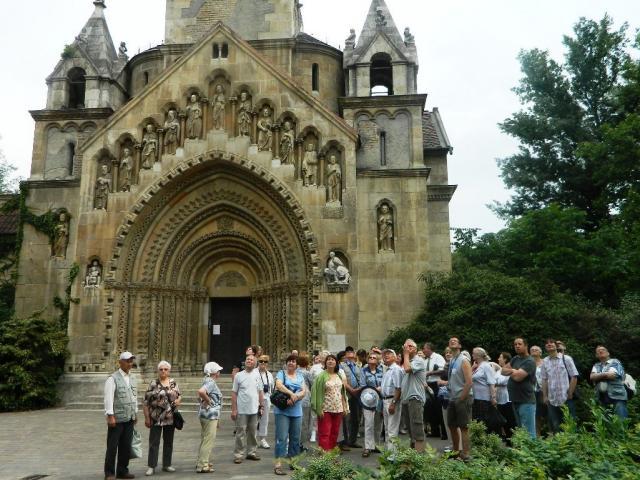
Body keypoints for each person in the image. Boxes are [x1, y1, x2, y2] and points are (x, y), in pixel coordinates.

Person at [143, 361, 181, 476]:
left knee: (168, 442)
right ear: (158, 371)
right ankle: (151, 466)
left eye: (165, 369)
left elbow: (179, 395)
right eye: (161, 369)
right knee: (154, 443)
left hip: (170, 417)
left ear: (169, 371)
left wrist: (178, 401)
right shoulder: (153, 383)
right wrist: (147, 418)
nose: (163, 371)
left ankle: (167, 464)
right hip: (156, 418)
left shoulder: (173, 383)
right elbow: (146, 402)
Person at [104, 351, 137, 480]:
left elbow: (134, 397)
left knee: (126, 446)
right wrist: (110, 415)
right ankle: (109, 473)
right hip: (117, 418)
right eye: (127, 361)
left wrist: (135, 412)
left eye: (131, 361)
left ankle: (122, 471)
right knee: (112, 447)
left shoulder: (132, 378)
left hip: (129, 417)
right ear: (120, 362)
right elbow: (108, 398)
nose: (130, 363)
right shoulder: (112, 378)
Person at [273, 355, 306, 475]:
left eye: (293, 361)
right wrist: (291, 394)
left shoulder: (300, 376)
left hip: (296, 411)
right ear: (286, 363)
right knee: (281, 438)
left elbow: (304, 391)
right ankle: (278, 464)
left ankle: (294, 462)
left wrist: (295, 397)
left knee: (295, 438)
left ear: (297, 365)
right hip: (282, 411)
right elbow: (279, 385)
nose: (291, 363)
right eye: (289, 361)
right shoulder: (281, 373)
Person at [311, 354, 349, 451]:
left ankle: (331, 453)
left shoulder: (339, 375)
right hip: (325, 408)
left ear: (336, 363)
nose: (330, 361)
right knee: (325, 432)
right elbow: (315, 392)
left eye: (332, 360)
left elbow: (342, 392)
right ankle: (324, 454)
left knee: (335, 432)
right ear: (325, 363)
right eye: (328, 360)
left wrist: (345, 407)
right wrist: (319, 408)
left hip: (338, 408)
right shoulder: (321, 376)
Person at [231, 354, 264, 464]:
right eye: (247, 359)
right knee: (240, 433)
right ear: (245, 362)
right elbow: (234, 393)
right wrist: (234, 409)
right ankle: (238, 454)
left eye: (251, 360)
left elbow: (260, 392)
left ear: (255, 363)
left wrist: (262, 406)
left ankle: (251, 452)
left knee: (253, 432)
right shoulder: (238, 375)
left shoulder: (257, 375)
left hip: (254, 409)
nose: (249, 361)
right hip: (242, 409)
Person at [540, 338, 578, 433]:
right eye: (547, 343)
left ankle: (574, 442)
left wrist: (570, 393)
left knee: (571, 425)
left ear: (556, 346)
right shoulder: (544, 361)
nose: (549, 344)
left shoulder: (566, 358)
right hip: (552, 399)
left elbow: (574, 376)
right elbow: (544, 379)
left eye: (551, 342)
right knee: (556, 427)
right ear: (545, 347)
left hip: (566, 398)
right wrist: (545, 396)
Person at [502, 338, 537, 439]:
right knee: (521, 432)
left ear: (526, 346)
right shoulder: (515, 359)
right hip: (515, 400)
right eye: (515, 344)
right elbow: (503, 371)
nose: (517, 346)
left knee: (528, 433)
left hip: (526, 400)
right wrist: (515, 371)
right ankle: (524, 450)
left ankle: (531, 449)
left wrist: (511, 371)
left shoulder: (529, 361)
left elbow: (518, 378)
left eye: (519, 344)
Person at [446, 338, 473, 460]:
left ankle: (466, 454)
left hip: (462, 397)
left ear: (460, 345)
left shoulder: (464, 360)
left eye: (455, 341)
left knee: (464, 426)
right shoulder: (452, 360)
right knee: (451, 425)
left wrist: (462, 398)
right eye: (450, 341)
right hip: (452, 397)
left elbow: (469, 382)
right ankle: (456, 452)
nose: (452, 341)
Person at [400, 339, 427, 452]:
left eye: (410, 346)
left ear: (416, 349)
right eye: (406, 346)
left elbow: (407, 369)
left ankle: (419, 455)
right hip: (406, 399)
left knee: (417, 427)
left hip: (415, 398)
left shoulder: (418, 360)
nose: (407, 348)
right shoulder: (407, 361)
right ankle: (413, 454)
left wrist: (405, 354)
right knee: (410, 429)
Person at [196, 362, 223, 473]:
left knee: (204, 439)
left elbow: (200, 394)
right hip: (210, 415)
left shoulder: (206, 380)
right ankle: (203, 465)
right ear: (215, 372)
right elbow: (201, 392)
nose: (219, 373)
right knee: (208, 440)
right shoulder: (211, 382)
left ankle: (202, 461)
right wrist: (209, 401)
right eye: (218, 371)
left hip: (205, 414)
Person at [590, 345, 628, 419]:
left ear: (608, 353)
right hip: (602, 398)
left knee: (621, 422)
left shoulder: (615, 362)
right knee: (606, 423)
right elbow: (592, 377)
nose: (600, 351)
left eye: (603, 349)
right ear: (596, 355)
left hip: (617, 396)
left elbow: (612, 375)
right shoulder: (596, 365)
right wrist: (605, 374)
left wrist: (598, 376)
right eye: (598, 351)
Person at [360, 351, 384, 456]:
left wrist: (381, 388)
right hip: (368, 400)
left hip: (380, 400)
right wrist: (374, 389)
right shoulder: (363, 371)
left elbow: (385, 383)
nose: (372, 359)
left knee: (378, 423)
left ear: (377, 360)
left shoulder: (381, 371)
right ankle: (368, 447)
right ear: (367, 360)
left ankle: (376, 445)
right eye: (370, 357)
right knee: (369, 423)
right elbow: (362, 385)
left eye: (374, 358)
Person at [339, 346, 362, 450]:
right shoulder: (341, 366)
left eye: (351, 351)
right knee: (346, 418)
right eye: (347, 352)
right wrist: (351, 390)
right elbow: (341, 380)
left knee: (356, 418)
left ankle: (353, 440)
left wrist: (359, 389)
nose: (350, 353)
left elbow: (361, 379)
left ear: (354, 354)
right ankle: (344, 442)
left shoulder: (357, 366)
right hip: (346, 394)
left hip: (357, 395)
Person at [423, 342, 446, 439]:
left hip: (436, 384)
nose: (423, 350)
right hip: (427, 385)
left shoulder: (438, 357)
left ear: (429, 348)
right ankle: (434, 431)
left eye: (424, 348)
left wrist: (430, 373)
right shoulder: (425, 360)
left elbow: (443, 370)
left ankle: (444, 432)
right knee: (430, 409)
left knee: (439, 408)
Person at [380, 348, 403, 450]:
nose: (386, 355)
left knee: (392, 430)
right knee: (387, 429)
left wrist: (393, 403)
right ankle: (388, 454)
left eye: (389, 353)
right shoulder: (387, 369)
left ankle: (392, 456)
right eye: (385, 354)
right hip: (385, 400)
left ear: (394, 357)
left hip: (392, 400)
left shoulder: (396, 369)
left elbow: (399, 388)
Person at [471, 347, 497, 433]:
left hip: (484, 400)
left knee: (484, 422)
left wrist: (493, 397)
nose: (472, 355)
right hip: (477, 399)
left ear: (478, 355)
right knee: (478, 422)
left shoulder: (486, 366)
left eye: (473, 353)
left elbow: (491, 382)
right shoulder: (478, 367)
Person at [495, 352, 517, 442]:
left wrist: (496, 381)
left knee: (510, 421)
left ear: (505, 359)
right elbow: (494, 381)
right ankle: (507, 439)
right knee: (503, 420)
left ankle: (513, 440)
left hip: (508, 399)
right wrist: (496, 381)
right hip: (499, 399)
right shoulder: (498, 371)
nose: (498, 359)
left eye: (500, 357)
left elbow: (502, 381)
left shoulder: (510, 370)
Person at [256, 355, 274, 449]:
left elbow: (272, 387)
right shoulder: (254, 373)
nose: (263, 363)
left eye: (265, 361)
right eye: (261, 361)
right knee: (254, 420)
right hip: (255, 399)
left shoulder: (269, 374)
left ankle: (262, 439)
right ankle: (253, 439)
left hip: (266, 398)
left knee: (264, 419)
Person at [297, 354, 313, 451]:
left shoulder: (295, 372)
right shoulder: (307, 373)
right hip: (306, 400)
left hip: (296, 399)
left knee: (297, 422)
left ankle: (296, 442)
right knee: (305, 423)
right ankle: (302, 443)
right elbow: (313, 386)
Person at [530, 345, 546, 437]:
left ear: (540, 353)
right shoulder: (528, 363)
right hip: (532, 391)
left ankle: (551, 433)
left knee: (547, 412)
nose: (534, 351)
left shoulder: (545, 362)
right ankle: (537, 434)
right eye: (532, 350)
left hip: (544, 391)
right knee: (535, 413)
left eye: (536, 350)